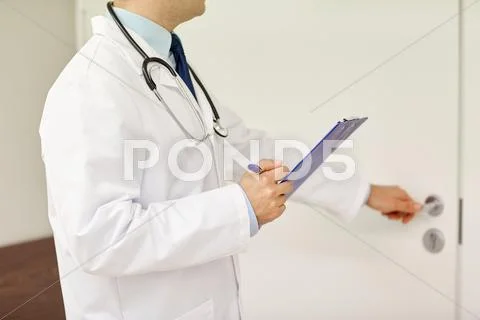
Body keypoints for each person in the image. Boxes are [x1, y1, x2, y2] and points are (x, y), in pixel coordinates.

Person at [39, 0, 422, 319]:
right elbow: (100, 238)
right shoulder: (89, 87)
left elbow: (246, 149)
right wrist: (239, 207)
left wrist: (361, 191)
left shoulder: (166, 67)